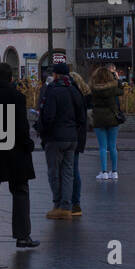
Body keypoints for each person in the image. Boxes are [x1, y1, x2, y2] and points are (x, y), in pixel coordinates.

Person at [0, 64, 39, 251]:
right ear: (11, 78)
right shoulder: (16, 97)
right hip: (14, 151)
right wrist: (28, 144)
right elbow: (21, 126)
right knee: (20, 191)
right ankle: (22, 235)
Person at [39, 63, 86, 219]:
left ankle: (58, 204)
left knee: (54, 172)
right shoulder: (75, 90)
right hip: (72, 138)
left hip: (55, 138)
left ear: (57, 75)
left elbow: (48, 116)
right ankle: (67, 206)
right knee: (68, 173)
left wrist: (43, 132)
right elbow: (82, 117)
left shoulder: (53, 91)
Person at [89, 64, 124, 180]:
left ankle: (103, 172)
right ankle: (114, 171)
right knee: (113, 146)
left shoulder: (93, 89)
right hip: (112, 118)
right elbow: (121, 90)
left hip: (98, 118)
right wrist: (116, 78)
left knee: (102, 147)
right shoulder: (113, 88)